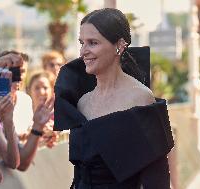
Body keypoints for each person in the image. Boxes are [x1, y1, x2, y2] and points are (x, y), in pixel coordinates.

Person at [54, 8, 176, 189]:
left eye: (93, 43)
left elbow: (156, 179)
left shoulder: (140, 98)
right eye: (82, 43)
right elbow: (79, 175)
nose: (83, 52)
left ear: (119, 45)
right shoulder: (82, 102)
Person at [27, 71, 58, 148]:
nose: (41, 92)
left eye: (45, 87)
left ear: (52, 90)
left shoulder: (60, 114)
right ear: (29, 90)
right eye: (37, 88)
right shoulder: (24, 115)